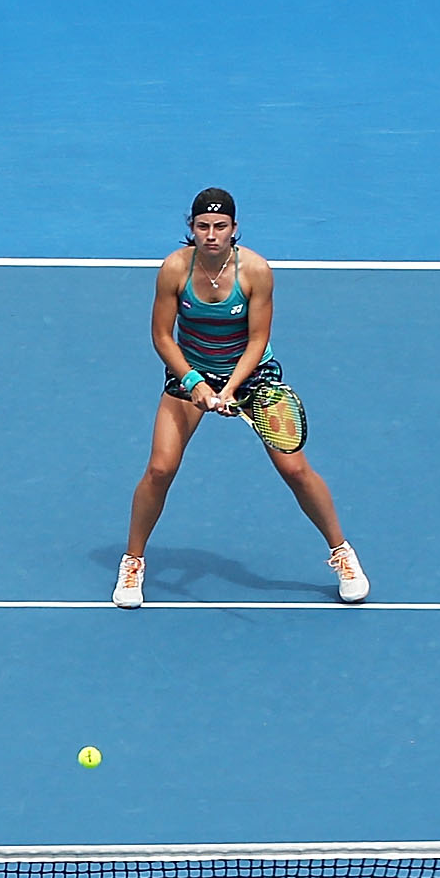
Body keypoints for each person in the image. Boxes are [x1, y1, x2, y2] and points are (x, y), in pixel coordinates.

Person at [114, 189, 369, 609]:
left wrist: (230, 389)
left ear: (234, 229)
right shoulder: (174, 270)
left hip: (248, 374)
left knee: (295, 468)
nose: (211, 235)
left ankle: (342, 552)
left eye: (220, 227)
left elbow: (258, 339)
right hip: (190, 372)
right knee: (160, 469)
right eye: (202, 227)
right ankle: (134, 560)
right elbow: (162, 336)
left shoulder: (256, 271)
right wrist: (196, 383)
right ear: (191, 229)